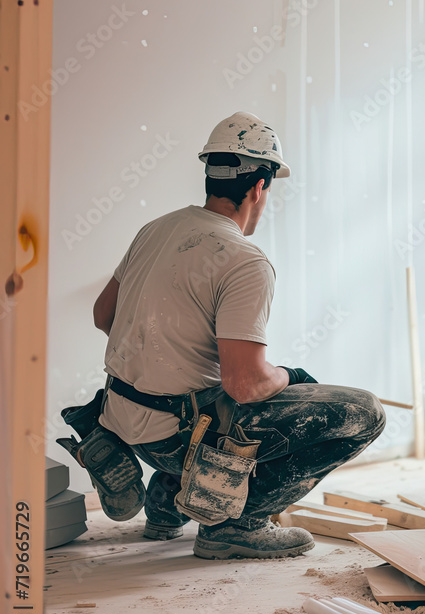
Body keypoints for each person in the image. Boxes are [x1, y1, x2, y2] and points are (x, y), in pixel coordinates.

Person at [62, 112, 385, 560]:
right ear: (259, 187)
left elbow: (103, 315)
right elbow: (246, 384)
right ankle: (236, 524)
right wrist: (290, 376)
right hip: (180, 438)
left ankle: (166, 502)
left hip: (122, 419)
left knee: (208, 395)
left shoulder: (156, 229)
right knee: (364, 412)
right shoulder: (244, 259)